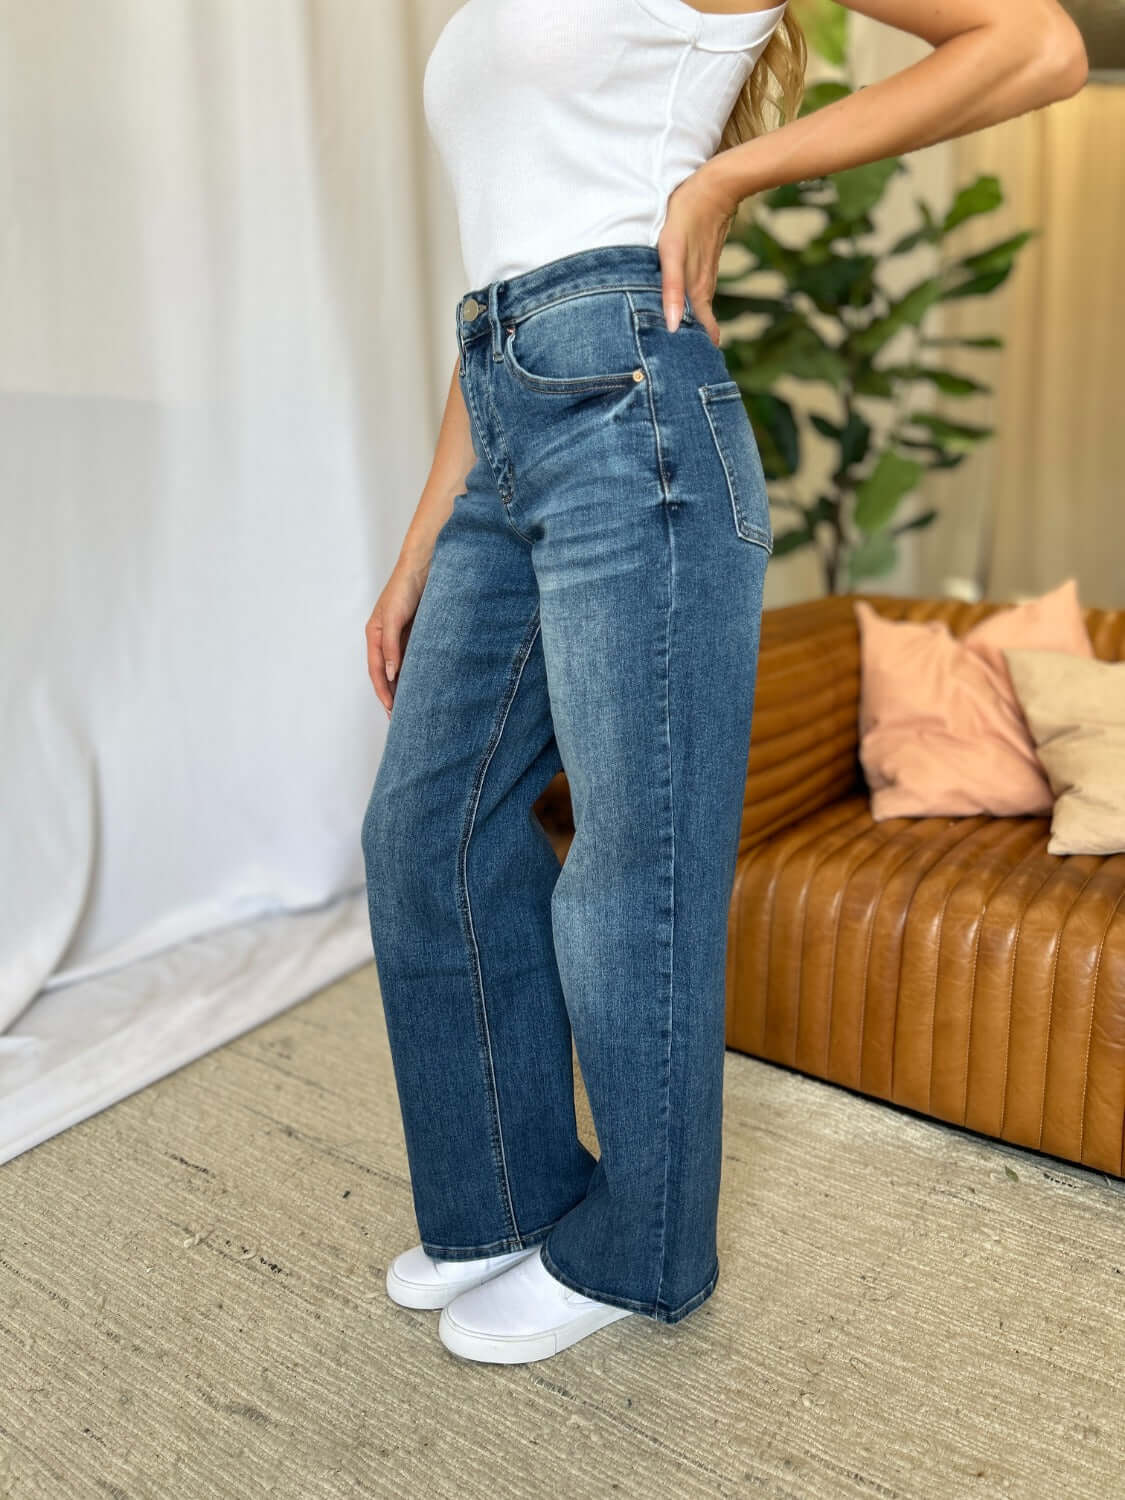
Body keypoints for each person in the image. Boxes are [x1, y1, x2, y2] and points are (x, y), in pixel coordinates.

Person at [361, 0, 1087, 1366]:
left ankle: (638, 1251)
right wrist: (417, 548)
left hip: (633, 423)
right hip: (504, 412)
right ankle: (504, 1197)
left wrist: (731, 174)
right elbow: (505, 271)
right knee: (423, 835)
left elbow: (1034, 42)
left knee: (634, 869)